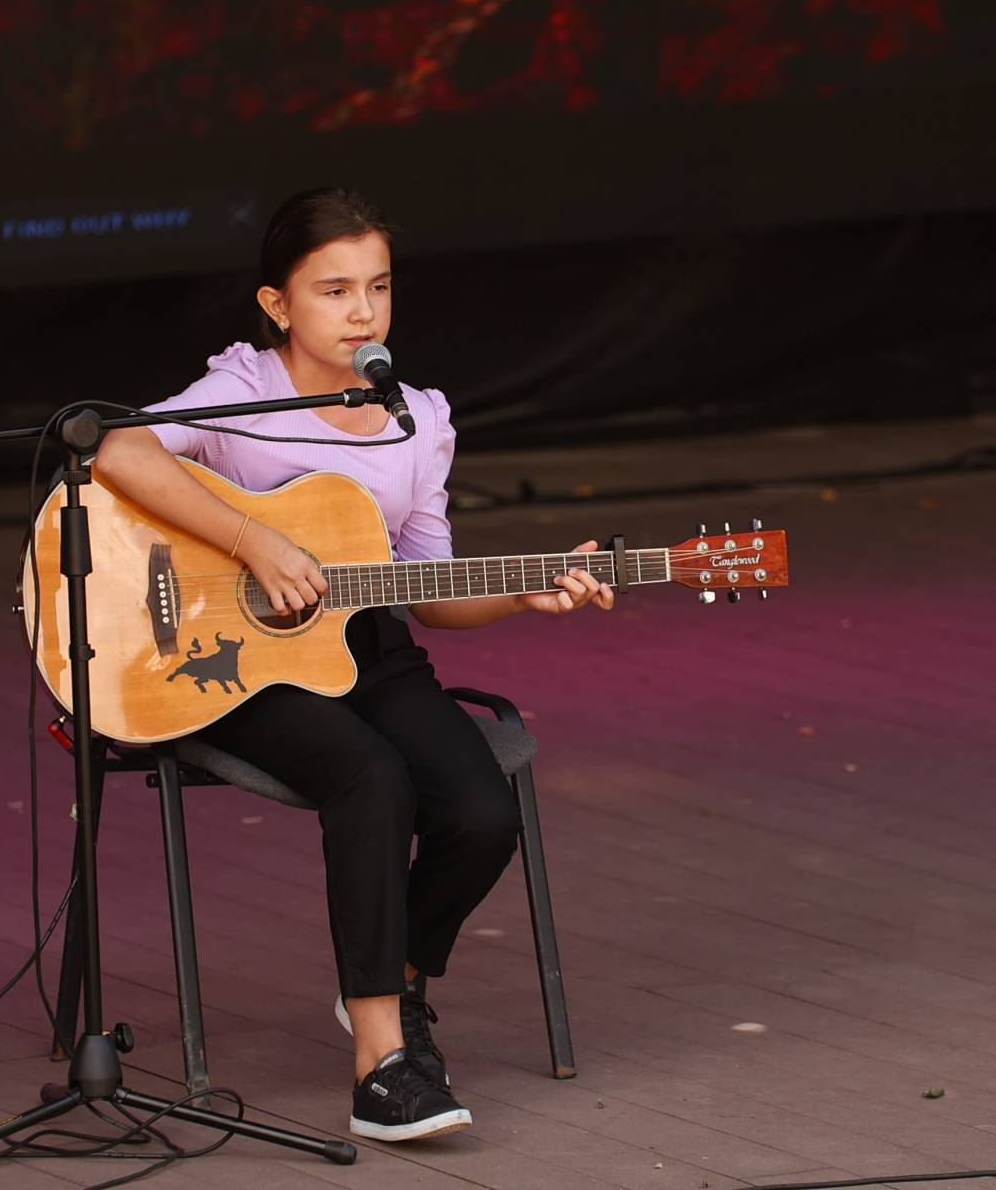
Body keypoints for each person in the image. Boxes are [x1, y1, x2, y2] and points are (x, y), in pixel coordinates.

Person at [92, 187, 614, 1142]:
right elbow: (118, 452)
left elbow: (428, 590)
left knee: (482, 811)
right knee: (371, 778)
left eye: (378, 286)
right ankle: (383, 1066)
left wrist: (525, 591)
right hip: (236, 661)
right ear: (278, 305)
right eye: (334, 291)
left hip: (370, 647)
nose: (362, 312)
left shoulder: (419, 419)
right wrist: (252, 540)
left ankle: (393, 980)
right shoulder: (241, 392)